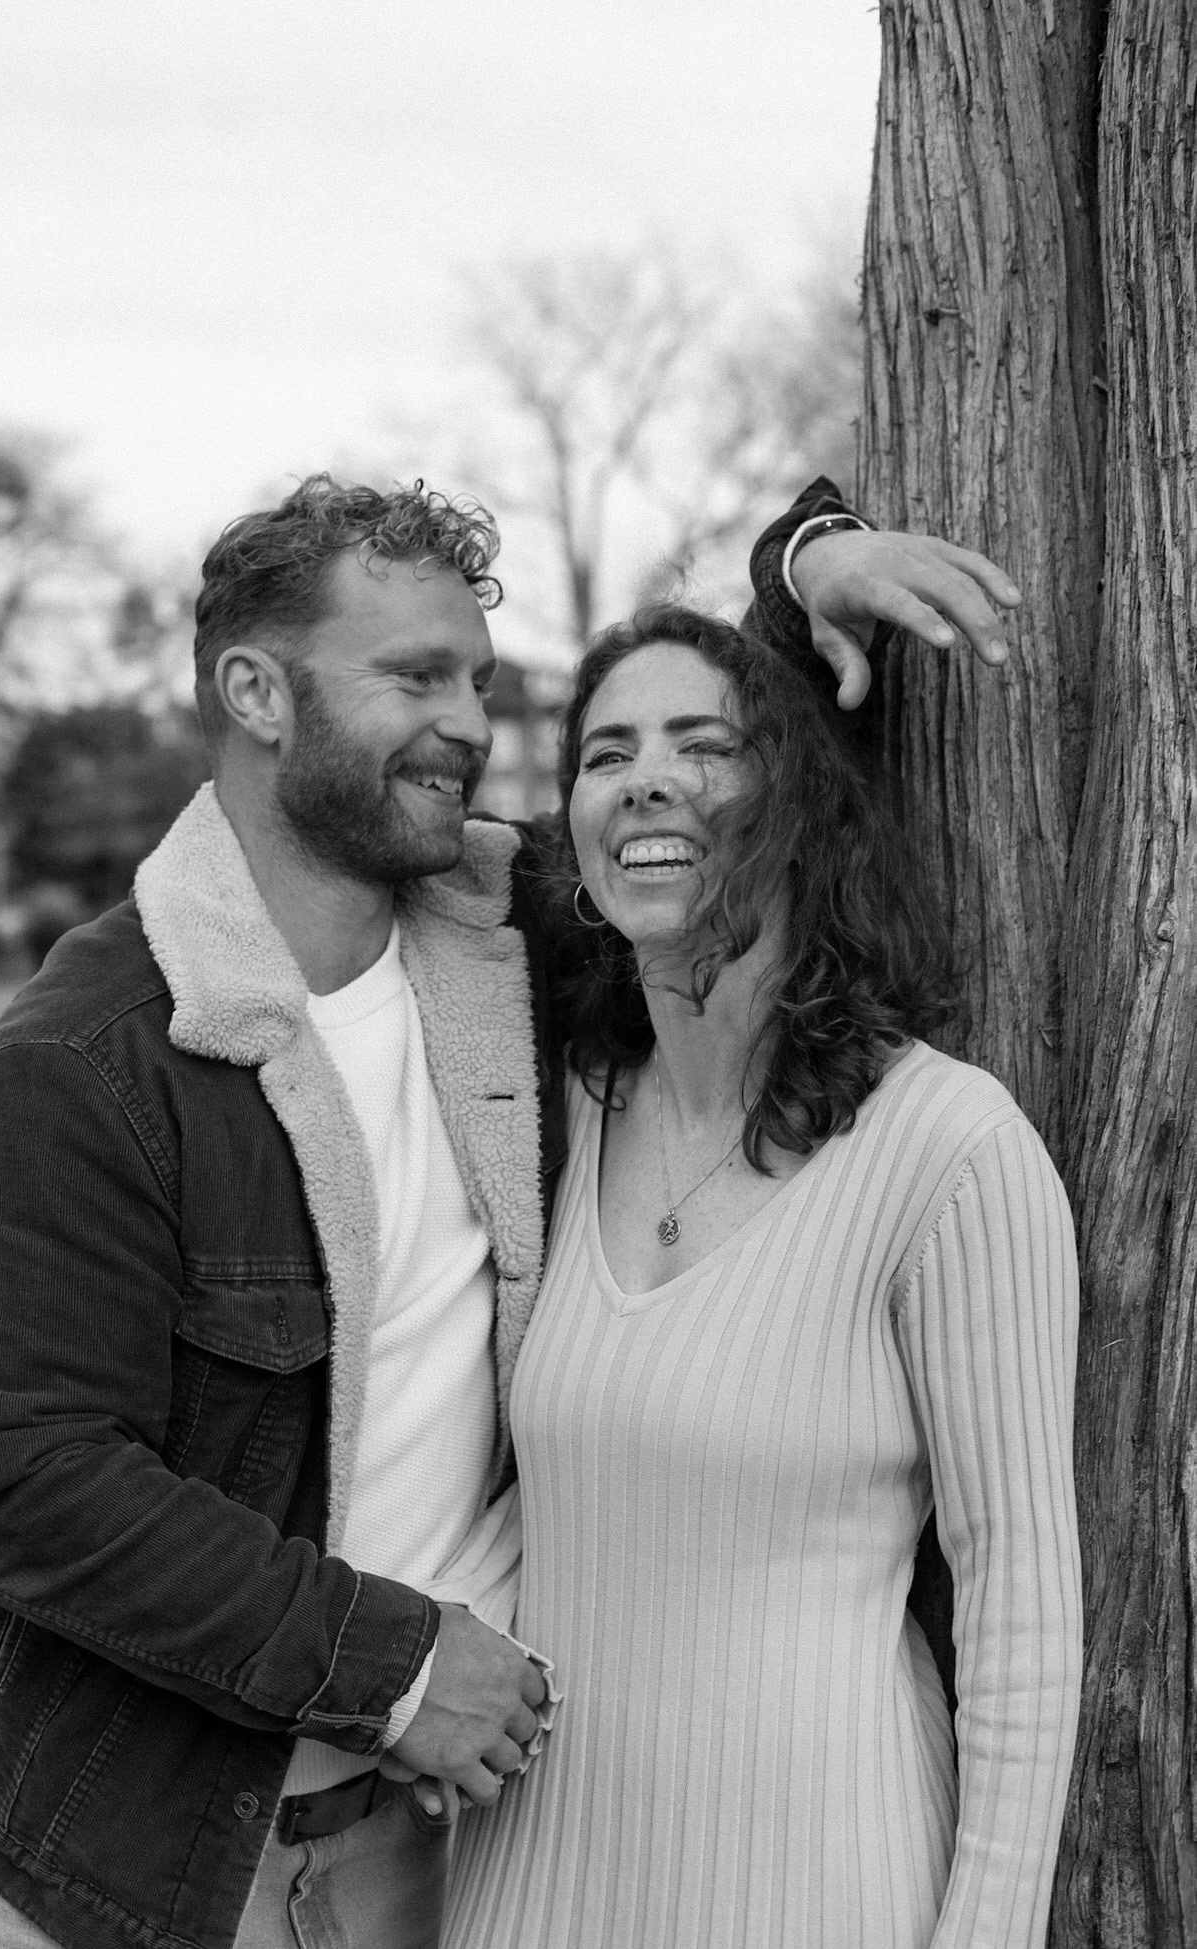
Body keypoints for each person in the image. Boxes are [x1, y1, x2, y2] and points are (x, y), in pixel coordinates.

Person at [0, 473, 1023, 1949]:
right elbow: (22, 1478)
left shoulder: (505, 939)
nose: (467, 725)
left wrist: (803, 563)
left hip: (427, 1847)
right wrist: (393, 1668)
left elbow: (687, 790)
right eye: (414, 677)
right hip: (136, 1865)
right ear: (256, 694)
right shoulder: (90, 1058)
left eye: (479, 683)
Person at [443, 605, 1082, 1949]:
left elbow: (1019, 1602)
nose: (647, 780)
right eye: (606, 753)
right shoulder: (557, 1118)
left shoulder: (946, 1149)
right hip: (530, 1890)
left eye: (704, 744)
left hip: (821, 1883)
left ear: (794, 806)